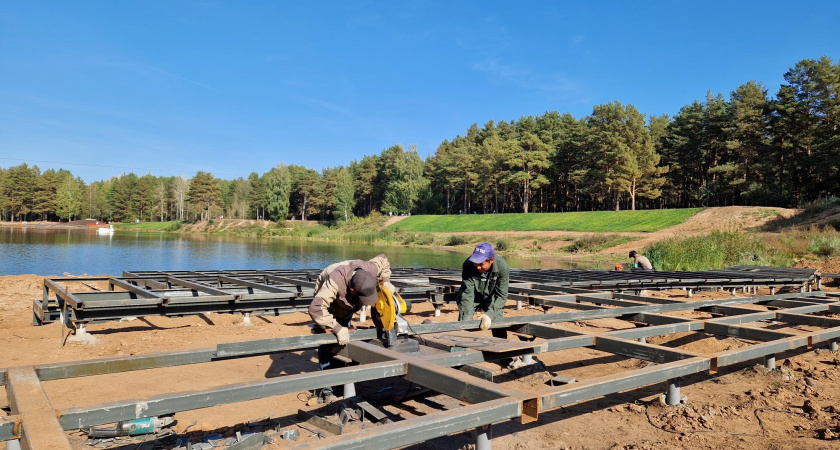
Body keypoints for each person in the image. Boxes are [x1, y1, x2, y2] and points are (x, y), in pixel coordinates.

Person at [308, 254, 395, 400]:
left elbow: (384, 259)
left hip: (348, 300)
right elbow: (316, 309)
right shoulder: (334, 282)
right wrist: (336, 328)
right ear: (354, 291)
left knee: (347, 339)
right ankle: (328, 389)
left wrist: (386, 281)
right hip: (329, 305)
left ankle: (344, 380)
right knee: (328, 343)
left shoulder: (370, 270)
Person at [456, 243, 521, 368]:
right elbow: (468, 293)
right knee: (463, 324)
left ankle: (504, 356)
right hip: (472, 296)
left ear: (491, 260)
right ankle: (456, 358)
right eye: (476, 263)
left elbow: (501, 295)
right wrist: (467, 317)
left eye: (481, 264)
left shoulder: (502, 267)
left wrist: (490, 315)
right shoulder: (468, 265)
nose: (477, 266)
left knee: (499, 323)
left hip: (491, 298)